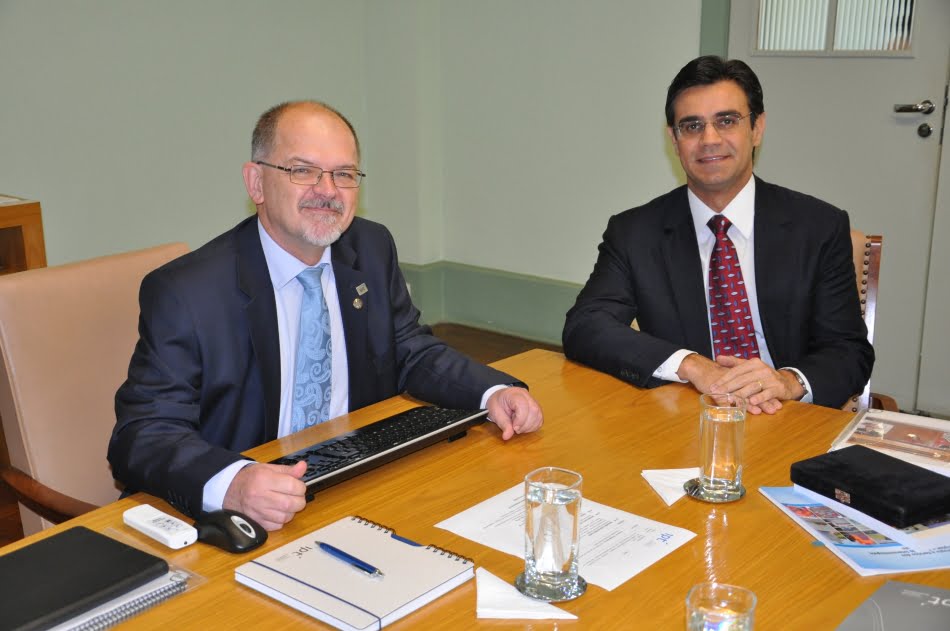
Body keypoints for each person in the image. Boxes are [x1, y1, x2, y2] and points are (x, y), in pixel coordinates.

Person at [109, 101, 543, 530]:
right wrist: (235, 482)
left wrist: (492, 393)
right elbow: (144, 432)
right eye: (303, 171)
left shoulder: (370, 248)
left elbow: (410, 349)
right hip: (248, 512)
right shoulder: (188, 291)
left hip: (353, 486)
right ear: (256, 182)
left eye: (344, 174)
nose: (328, 190)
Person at [562, 56, 873, 414]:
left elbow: (848, 351)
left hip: (787, 417)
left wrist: (787, 382)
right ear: (674, 140)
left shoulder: (818, 227)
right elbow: (586, 326)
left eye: (726, 121)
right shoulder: (635, 232)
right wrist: (690, 364)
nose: (709, 139)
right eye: (691, 126)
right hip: (686, 418)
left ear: (757, 128)